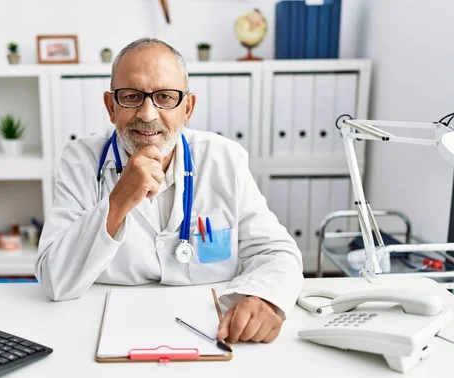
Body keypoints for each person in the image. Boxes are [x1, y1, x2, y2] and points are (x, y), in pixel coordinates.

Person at [35, 38, 303, 344]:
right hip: (104, 330)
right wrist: (119, 201)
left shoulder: (224, 158)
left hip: (210, 332)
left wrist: (263, 298)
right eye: (132, 96)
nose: (147, 114)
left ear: (187, 108)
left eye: (165, 97)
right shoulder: (80, 160)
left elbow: (278, 254)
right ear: (111, 106)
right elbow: (54, 279)